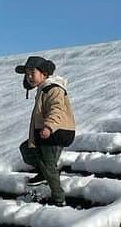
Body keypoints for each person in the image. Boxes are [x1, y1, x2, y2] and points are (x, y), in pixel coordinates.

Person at [15, 56, 76, 206]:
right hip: (45, 132)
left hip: (55, 132)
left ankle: (59, 199)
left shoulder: (53, 89)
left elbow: (57, 109)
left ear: (44, 73)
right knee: (27, 149)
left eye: (32, 73)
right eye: (27, 74)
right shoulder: (43, 89)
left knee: (49, 166)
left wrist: (49, 126)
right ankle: (44, 173)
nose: (29, 77)